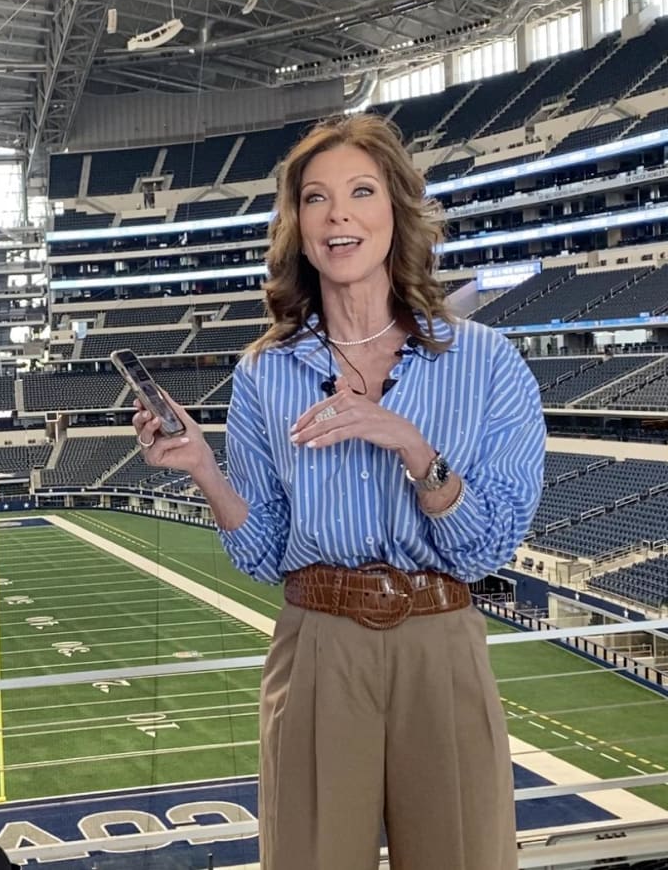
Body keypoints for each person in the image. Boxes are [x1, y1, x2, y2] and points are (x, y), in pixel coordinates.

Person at [133, 113, 545, 870]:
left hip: (441, 640)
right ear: (298, 225)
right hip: (318, 641)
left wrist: (414, 447)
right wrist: (202, 469)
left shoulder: (487, 362)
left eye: (361, 190)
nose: (339, 214)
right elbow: (261, 552)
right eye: (316, 198)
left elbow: (490, 547)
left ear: (397, 208)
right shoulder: (267, 372)